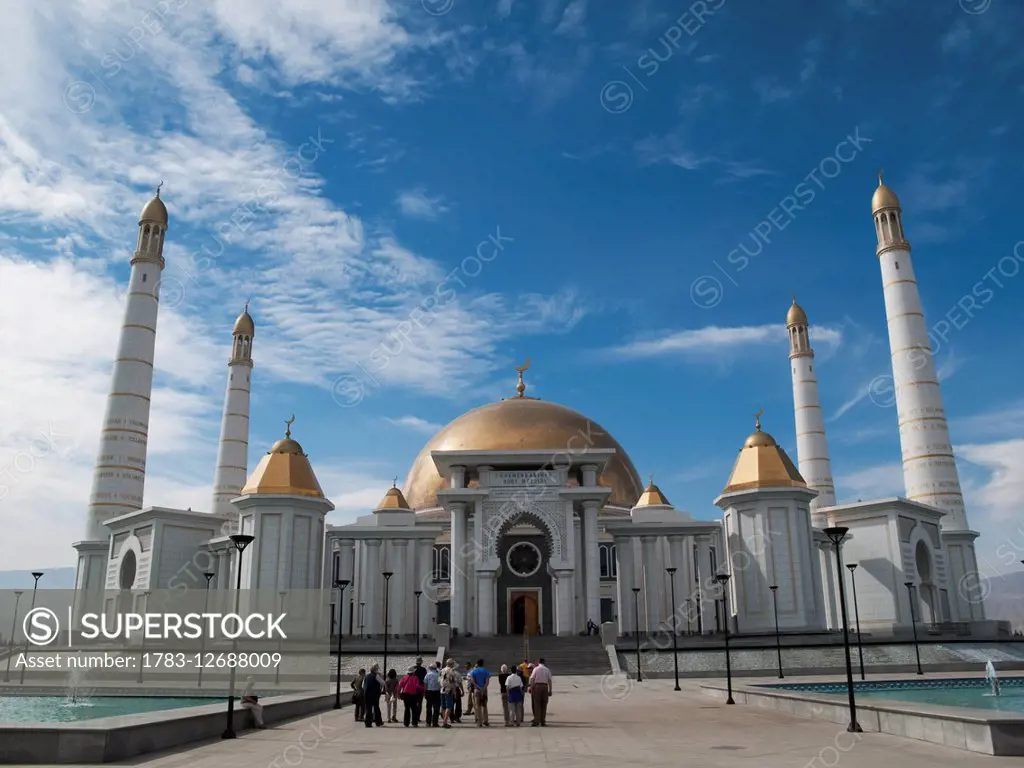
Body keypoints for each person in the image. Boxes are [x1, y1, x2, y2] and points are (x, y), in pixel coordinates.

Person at [528, 658, 552, 727]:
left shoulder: (536, 669)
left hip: (537, 687)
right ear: (544, 662)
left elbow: (532, 679)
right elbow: (549, 680)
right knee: (544, 704)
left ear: (539, 662)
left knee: (537, 704)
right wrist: (550, 690)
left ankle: (536, 721)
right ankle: (543, 721)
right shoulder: (547, 669)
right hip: (545, 687)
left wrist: (531, 687)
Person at [468, 658, 491, 727]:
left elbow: (473, 681)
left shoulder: (473, 672)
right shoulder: (486, 671)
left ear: (477, 664)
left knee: (477, 706)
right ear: (483, 664)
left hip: (476, 690)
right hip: (484, 690)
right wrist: (483, 689)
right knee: (484, 706)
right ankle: (486, 721)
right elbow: (487, 682)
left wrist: (478, 687)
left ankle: (479, 722)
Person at [439, 658, 461, 729]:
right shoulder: (451, 671)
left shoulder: (442, 670)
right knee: (449, 706)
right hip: (449, 690)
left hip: (442, 689)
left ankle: (444, 721)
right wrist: (454, 692)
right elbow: (453, 682)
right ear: (452, 664)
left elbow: (439, 680)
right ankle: (445, 722)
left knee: (443, 706)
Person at [424, 662, 442, 727]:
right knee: (436, 708)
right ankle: (435, 722)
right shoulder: (438, 675)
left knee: (429, 708)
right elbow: (441, 684)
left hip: (429, 692)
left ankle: (428, 722)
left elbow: (425, 684)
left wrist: (425, 692)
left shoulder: (427, 675)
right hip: (437, 692)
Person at [412, 657, 427, 724]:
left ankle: (414, 716)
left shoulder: (413, 669)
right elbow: (425, 679)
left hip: (413, 688)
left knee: (413, 703)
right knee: (419, 703)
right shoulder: (423, 669)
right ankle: (418, 717)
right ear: (421, 662)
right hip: (420, 687)